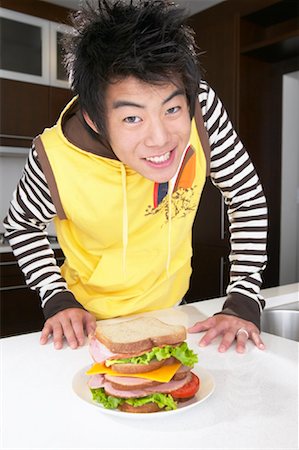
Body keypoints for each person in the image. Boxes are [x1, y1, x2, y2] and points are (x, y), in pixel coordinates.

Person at [3, 0, 267, 353]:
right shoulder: (53, 157)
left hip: (173, 312)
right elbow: (21, 225)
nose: (160, 139)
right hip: (87, 324)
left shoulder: (202, 112)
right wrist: (56, 297)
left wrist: (245, 297)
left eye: (172, 109)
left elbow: (246, 194)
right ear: (95, 120)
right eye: (132, 118)